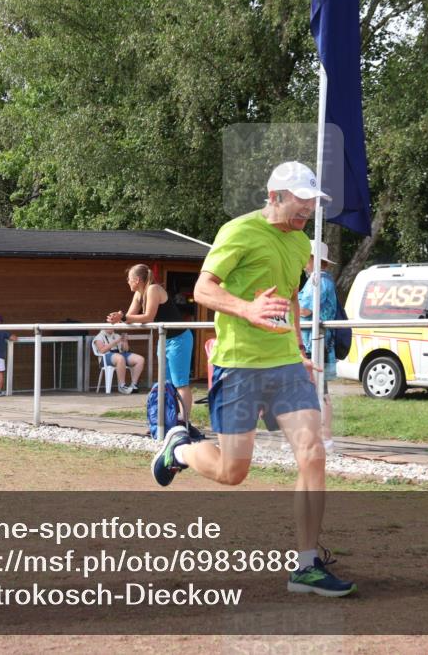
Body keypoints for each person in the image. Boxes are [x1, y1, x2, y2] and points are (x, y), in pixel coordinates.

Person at [151, 161, 357, 597]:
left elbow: (290, 301)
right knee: (233, 471)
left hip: (283, 363)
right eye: (300, 205)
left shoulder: (299, 240)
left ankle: (306, 565)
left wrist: (299, 351)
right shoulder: (238, 232)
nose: (306, 215)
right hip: (239, 363)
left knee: (313, 451)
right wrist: (246, 309)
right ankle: (182, 449)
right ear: (274, 197)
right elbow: (204, 290)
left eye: (311, 207)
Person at [107, 265, 200, 435]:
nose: (127, 282)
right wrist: (118, 318)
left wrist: (124, 318)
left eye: (129, 279)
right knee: (166, 383)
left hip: (179, 339)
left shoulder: (153, 289)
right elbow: (130, 317)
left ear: (137, 280)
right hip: (164, 338)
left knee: (180, 384)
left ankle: (184, 421)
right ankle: (165, 421)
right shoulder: (138, 294)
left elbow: (148, 316)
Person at [298, 241, 339, 454]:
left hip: (317, 343)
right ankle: (317, 436)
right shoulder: (318, 280)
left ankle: (324, 437)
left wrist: (287, 302)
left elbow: (305, 310)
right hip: (315, 342)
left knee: (318, 390)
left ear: (313, 259)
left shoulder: (319, 281)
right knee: (315, 390)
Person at [92, 328, 145, 394]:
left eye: (112, 326)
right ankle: (122, 386)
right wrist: (115, 342)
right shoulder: (99, 337)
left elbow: (125, 350)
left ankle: (133, 384)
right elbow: (102, 350)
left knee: (140, 359)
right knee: (120, 358)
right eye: (109, 326)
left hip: (119, 355)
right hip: (105, 357)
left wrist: (125, 341)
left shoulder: (116, 335)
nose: (111, 328)